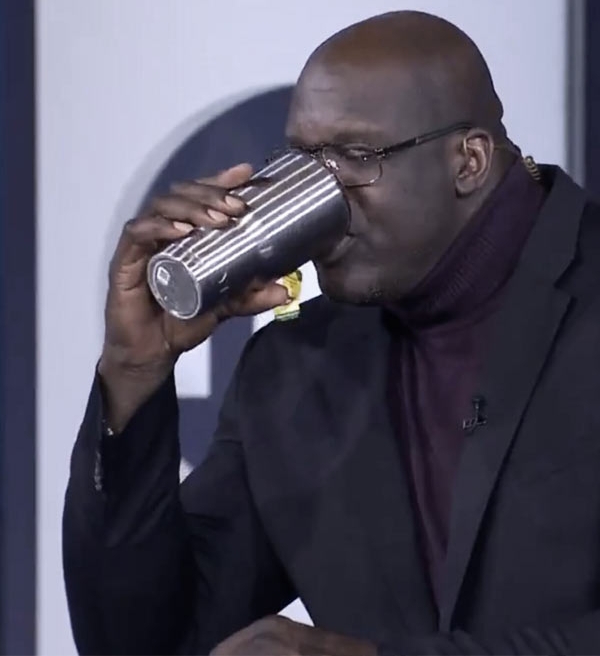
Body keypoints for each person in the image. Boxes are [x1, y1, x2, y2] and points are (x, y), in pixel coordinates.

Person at [63, 10, 600, 656]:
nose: (320, 201)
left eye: (355, 156)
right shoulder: (295, 369)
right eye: (301, 161)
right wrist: (134, 369)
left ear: (469, 160)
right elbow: (144, 642)